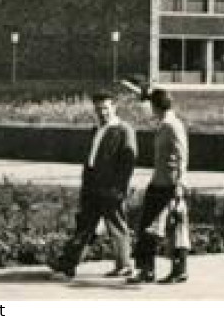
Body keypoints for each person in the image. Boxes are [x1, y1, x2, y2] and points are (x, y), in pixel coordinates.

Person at [49, 90, 137, 279]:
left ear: (114, 107)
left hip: (111, 188)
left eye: (105, 108)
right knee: (85, 225)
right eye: (98, 109)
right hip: (92, 187)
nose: (102, 112)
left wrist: (120, 188)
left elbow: (128, 162)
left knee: (116, 226)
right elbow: (91, 159)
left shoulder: (124, 130)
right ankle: (68, 264)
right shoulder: (96, 129)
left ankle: (124, 265)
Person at [133, 88, 191, 285]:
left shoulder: (173, 126)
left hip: (169, 185)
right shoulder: (164, 124)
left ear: (156, 106)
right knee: (155, 226)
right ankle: (152, 270)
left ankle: (169, 270)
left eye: (150, 105)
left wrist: (180, 185)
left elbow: (182, 157)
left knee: (162, 226)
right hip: (159, 182)